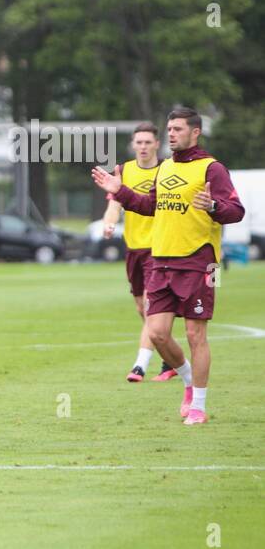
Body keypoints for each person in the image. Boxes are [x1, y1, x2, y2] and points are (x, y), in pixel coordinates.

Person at [90, 106, 244, 425]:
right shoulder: (165, 168)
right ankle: (188, 381)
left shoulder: (211, 169)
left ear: (195, 132)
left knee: (194, 334)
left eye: (177, 129)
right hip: (161, 261)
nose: (171, 134)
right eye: (169, 129)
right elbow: (149, 206)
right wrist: (120, 192)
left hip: (199, 263)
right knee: (158, 333)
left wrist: (213, 206)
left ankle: (198, 406)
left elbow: (236, 211)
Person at [101, 122, 175, 383]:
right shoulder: (124, 170)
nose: (143, 146)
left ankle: (139, 366)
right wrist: (109, 222)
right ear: (133, 145)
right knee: (143, 310)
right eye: (139, 142)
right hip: (134, 248)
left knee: (149, 305)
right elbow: (115, 203)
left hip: (160, 248)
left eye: (147, 142)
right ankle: (170, 358)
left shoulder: (167, 170)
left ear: (157, 144)